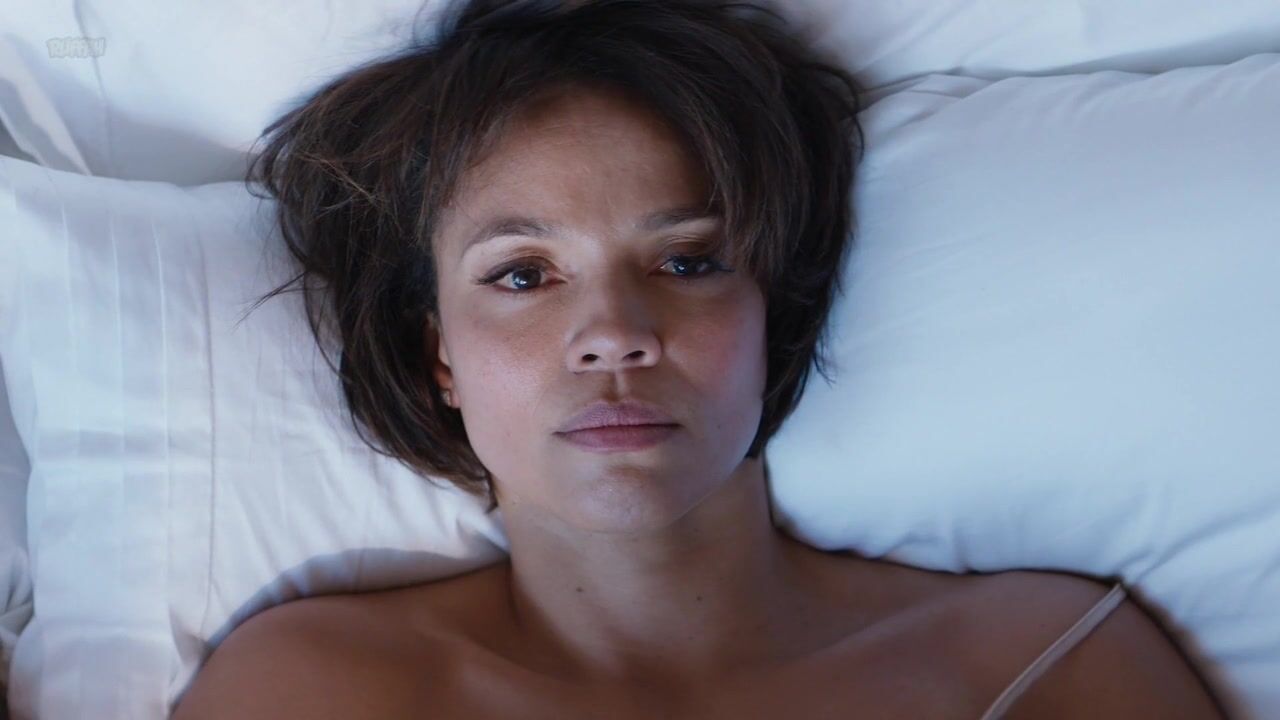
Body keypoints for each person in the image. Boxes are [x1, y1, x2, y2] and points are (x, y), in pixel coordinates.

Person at [172, 1, 1227, 717]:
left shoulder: (1037, 663)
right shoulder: (315, 690)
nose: (614, 332)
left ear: (774, 309)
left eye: (686, 262)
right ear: (437, 353)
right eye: (524, 275)